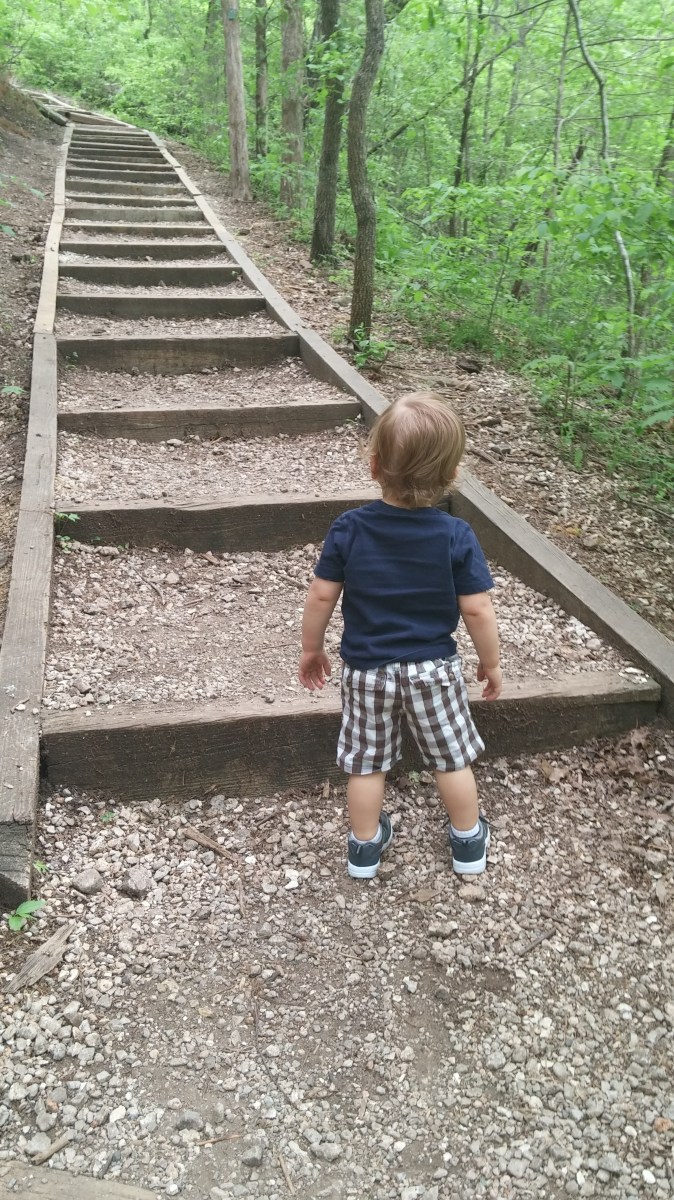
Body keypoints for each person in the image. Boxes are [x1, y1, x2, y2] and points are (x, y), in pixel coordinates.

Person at [298, 391, 502, 880]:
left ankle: (364, 848)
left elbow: (322, 595)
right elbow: (477, 608)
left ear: (374, 466)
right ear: (452, 474)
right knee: (450, 758)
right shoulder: (455, 535)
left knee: (367, 763)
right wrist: (491, 662)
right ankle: (467, 841)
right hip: (433, 669)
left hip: (366, 670)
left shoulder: (349, 528)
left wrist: (311, 648)